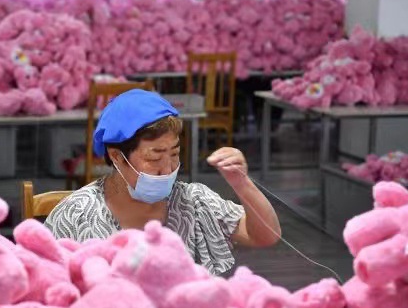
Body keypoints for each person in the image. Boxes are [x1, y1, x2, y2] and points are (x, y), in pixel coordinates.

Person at [45, 89, 281, 275]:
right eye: (154, 157)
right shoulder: (77, 215)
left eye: (175, 154)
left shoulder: (193, 202)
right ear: (117, 157)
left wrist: (242, 184)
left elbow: (265, 236)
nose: (168, 169)